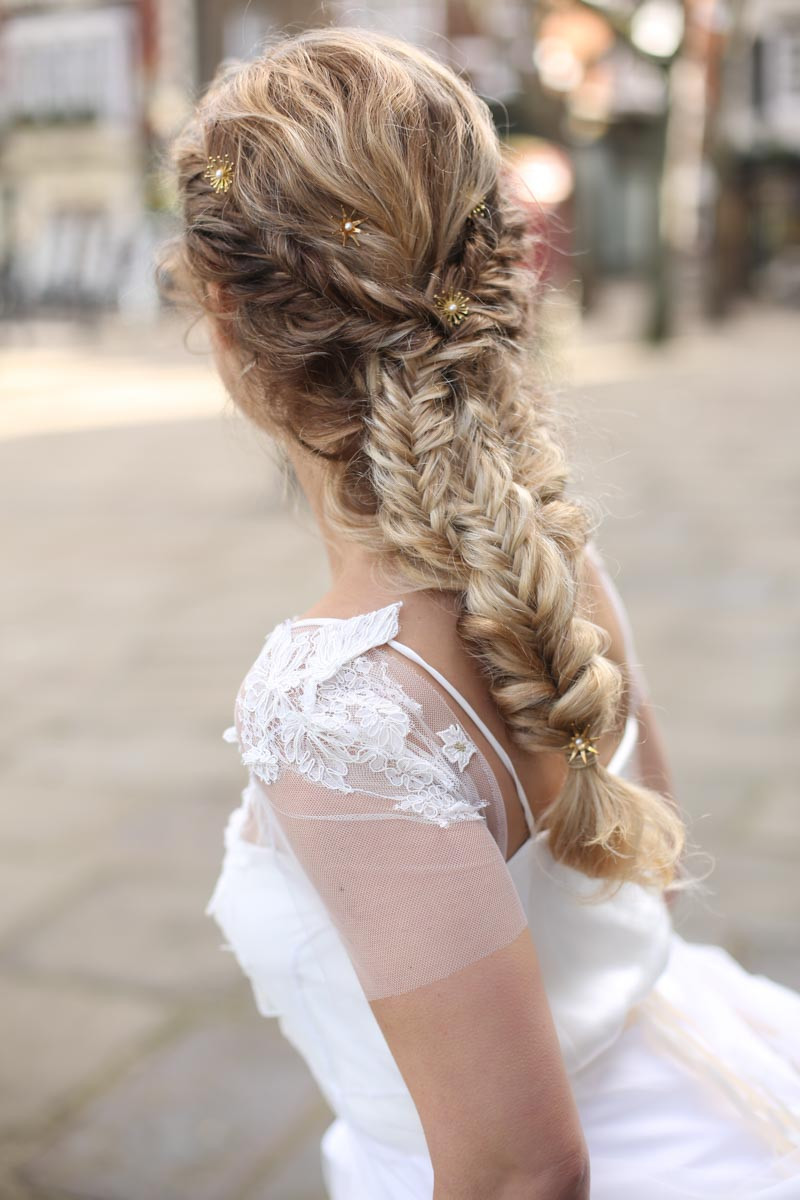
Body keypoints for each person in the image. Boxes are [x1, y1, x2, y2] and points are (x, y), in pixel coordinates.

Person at [158, 27, 800, 1199]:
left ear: (225, 309)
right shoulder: (548, 552)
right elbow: (637, 866)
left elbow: (519, 1173)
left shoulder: (337, 710)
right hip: (699, 1073)